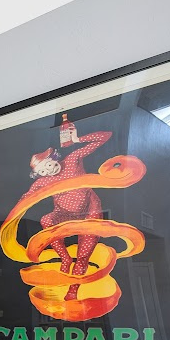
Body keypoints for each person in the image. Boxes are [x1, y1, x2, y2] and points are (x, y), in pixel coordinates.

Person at [25, 124, 112, 301]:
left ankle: (73, 290)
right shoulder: (43, 182)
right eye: (42, 171)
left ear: (53, 157)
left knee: (83, 256)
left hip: (90, 213)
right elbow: (26, 197)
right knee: (46, 220)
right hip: (63, 214)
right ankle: (65, 258)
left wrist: (77, 139)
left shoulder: (72, 159)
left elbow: (105, 136)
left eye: (48, 164)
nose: (48, 170)